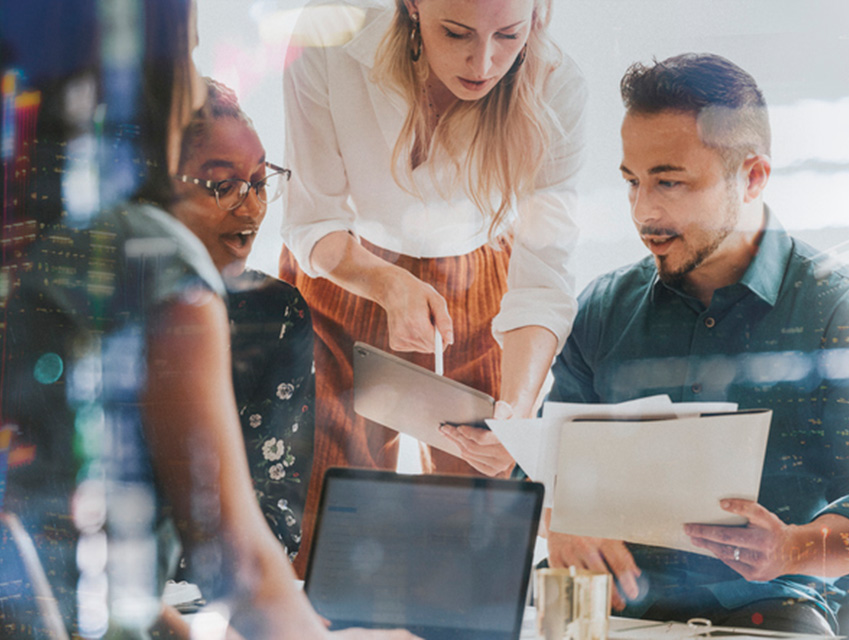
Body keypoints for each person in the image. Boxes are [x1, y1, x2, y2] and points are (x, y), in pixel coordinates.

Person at [0, 1, 417, 638]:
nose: (196, 86)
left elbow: (56, 542)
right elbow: (242, 566)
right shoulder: (153, 263)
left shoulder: (31, 238)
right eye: (188, 52)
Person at [543, 53, 849, 635]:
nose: (643, 212)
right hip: (609, 607)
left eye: (670, 182)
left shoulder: (842, 308)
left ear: (753, 177)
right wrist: (559, 518)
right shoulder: (602, 308)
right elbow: (545, 463)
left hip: (768, 609)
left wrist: (793, 549)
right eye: (632, 182)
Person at [281, 0, 586, 573]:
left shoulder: (558, 87)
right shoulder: (330, 31)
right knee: (320, 535)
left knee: (480, 547)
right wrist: (385, 282)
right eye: (456, 32)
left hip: (484, 292)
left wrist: (517, 414)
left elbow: (543, 279)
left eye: (509, 35)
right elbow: (310, 221)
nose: (483, 61)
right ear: (411, 6)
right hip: (342, 274)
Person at [170, 77, 314, 563]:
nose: (251, 208)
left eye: (258, 182)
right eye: (223, 185)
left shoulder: (276, 313)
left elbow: (277, 517)